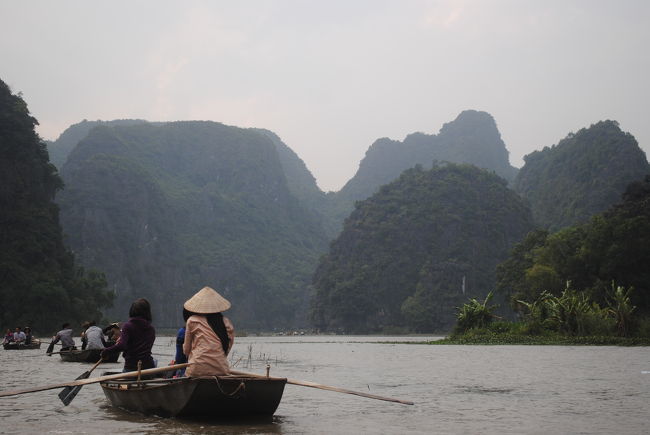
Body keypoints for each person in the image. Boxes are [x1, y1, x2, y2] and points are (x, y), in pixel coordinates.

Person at [182, 286, 235, 377]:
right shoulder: (226, 322)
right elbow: (227, 349)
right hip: (221, 369)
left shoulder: (192, 320)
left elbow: (186, 350)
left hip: (196, 370)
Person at [102, 298, 156, 372]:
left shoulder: (128, 326)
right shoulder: (151, 329)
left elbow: (122, 346)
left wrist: (106, 351)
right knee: (155, 361)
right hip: (148, 368)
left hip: (131, 368)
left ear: (132, 311)